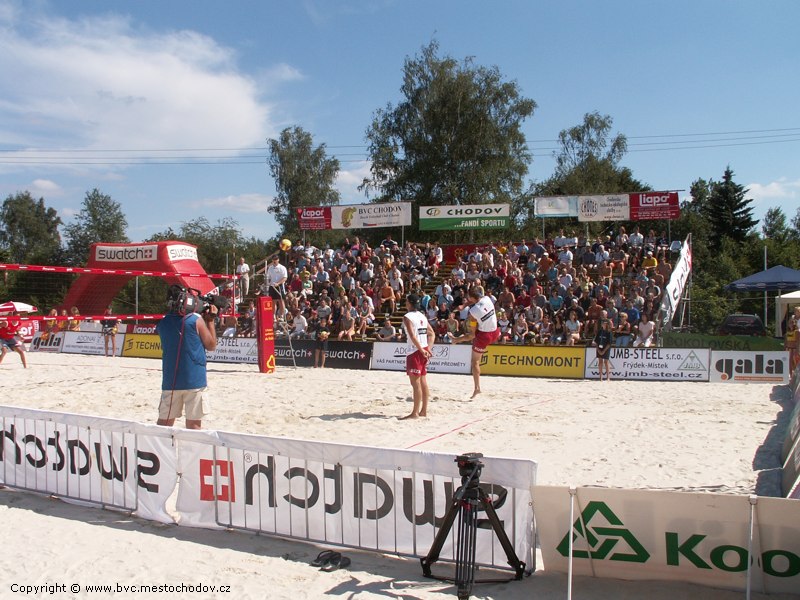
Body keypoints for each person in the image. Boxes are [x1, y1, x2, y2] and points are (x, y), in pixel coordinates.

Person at [156, 286, 218, 430]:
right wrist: (210, 321)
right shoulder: (194, 320)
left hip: (170, 380)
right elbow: (211, 345)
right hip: (194, 380)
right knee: (194, 427)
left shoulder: (163, 323)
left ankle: (157, 452)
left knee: (164, 426)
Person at [452, 286, 499, 399]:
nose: (468, 300)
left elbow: (472, 335)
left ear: (472, 298)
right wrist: (464, 305)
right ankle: (456, 340)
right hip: (496, 332)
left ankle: (477, 388)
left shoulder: (473, 312)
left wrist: (459, 339)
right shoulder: (487, 298)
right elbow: (476, 297)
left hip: (485, 336)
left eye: (469, 298)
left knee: (475, 362)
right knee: (474, 335)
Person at [400, 293, 435, 420]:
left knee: (415, 383)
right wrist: (427, 349)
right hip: (423, 348)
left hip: (415, 351)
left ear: (409, 303)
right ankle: (423, 411)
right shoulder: (422, 316)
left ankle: (415, 413)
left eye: (406, 302)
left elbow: (412, 336)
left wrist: (421, 350)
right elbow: (432, 334)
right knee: (423, 381)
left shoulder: (407, 317)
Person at [266, 254, 288, 320]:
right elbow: (268, 277)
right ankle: (273, 315)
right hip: (272, 286)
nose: (274, 261)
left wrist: (278, 283)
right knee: (273, 301)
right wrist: (268, 283)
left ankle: (282, 315)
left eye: (276, 259)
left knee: (281, 301)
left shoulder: (282, 268)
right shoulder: (270, 268)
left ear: (278, 260)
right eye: (273, 259)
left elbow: (285, 277)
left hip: (280, 286)